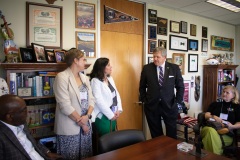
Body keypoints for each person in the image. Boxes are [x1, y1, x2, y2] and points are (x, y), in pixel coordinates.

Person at [53, 48, 95, 160]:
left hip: (86, 125)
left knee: (87, 156)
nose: (85, 62)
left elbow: (92, 99)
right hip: (70, 128)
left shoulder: (85, 78)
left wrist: (88, 116)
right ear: (75, 61)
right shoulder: (61, 77)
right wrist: (83, 124)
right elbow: (64, 105)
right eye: (83, 59)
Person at [139, 47, 184, 139]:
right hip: (152, 106)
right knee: (156, 135)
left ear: (164, 57)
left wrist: (177, 102)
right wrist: (144, 100)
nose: (155, 59)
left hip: (170, 106)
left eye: (158, 57)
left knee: (171, 134)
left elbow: (180, 86)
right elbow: (142, 86)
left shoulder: (174, 68)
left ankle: (171, 153)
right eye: (154, 57)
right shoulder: (147, 68)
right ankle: (157, 152)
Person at [0, 94, 62, 160]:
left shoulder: (22, 124)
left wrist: (47, 152)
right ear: (9, 116)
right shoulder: (2, 136)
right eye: (24, 110)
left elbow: (33, 143)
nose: (28, 113)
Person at [201, 85, 240, 155]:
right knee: (210, 131)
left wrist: (232, 126)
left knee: (209, 138)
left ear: (233, 95)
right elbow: (206, 115)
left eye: (227, 93)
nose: (224, 94)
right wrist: (214, 117)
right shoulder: (215, 104)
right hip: (210, 128)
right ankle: (217, 155)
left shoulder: (237, 107)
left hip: (226, 133)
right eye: (223, 92)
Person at [90, 57, 123, 137]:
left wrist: (118, 110)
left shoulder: (110, 79)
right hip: (102, 116)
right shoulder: (95, 81)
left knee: (113, 138)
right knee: (106, 139)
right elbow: (99, 101)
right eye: (108, 65)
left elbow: (116, 94)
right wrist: (110, 115)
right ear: (102, 67)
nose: (111, 67)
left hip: (113, 113)